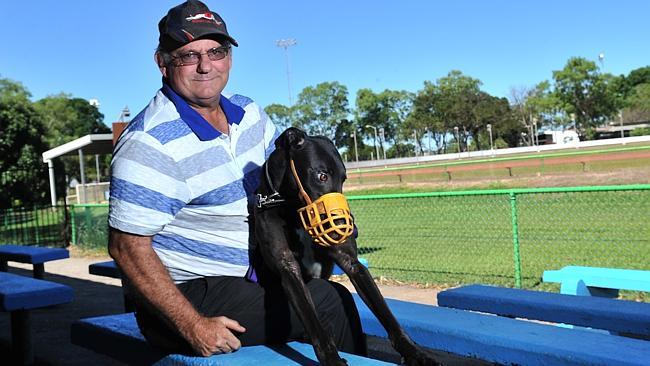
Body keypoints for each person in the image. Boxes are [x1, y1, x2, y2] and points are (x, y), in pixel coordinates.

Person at [108, 0, 366, 358]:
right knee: (328, 301)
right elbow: (126, 249)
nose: (205, 66)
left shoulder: (249, 114)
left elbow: (286, 184)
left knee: (319, 287)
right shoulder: (149, 142)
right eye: (187, 55)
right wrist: (193, 324)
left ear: (228, 56)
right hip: (186, 296)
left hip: (252, 276)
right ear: (162, 62)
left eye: (216, 51)